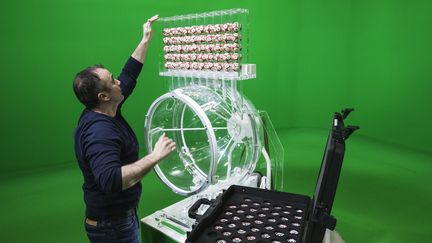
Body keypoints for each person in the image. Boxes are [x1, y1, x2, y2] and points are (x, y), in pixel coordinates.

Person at [73, 15, 175, 243]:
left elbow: (129, 74)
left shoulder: (105, 107)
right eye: (113, 80)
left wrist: (145, 39)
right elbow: (110, 180)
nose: (119, 81)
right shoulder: (100, 132)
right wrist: (155, 157)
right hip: (112, 227)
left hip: (117, 219)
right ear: (104, 95)